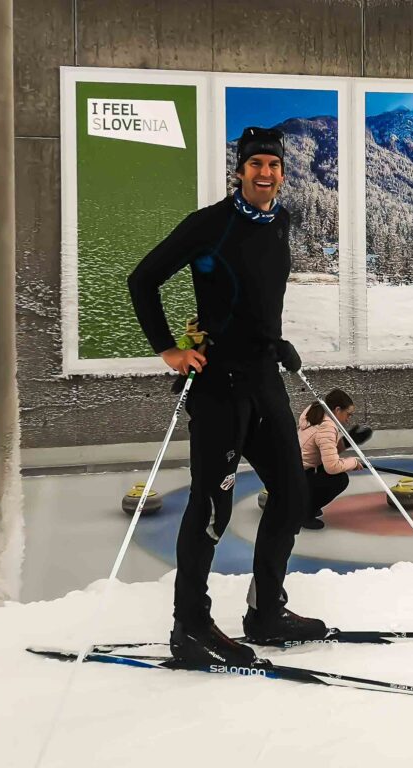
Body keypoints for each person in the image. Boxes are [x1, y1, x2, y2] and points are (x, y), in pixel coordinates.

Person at [127, 126, 327, 667]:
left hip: (265, 379)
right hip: (220, 388)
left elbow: (256, 300)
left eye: (274, 165)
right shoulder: (209, 224)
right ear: (240, 169)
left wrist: (275, 340)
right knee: (211, 509)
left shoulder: (280, 222)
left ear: (284, 173)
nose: (266, 173)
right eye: (256, 163)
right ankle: (190, 627)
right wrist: (169, 348)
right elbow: (142, 280)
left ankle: (266, 613)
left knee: (292, 494)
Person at [297, 390, 370, 530]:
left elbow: (326, 452)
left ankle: (307, 503)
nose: (348, 419)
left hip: (298, 469)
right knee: (339, 480)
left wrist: (348, 441)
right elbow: (332, 467)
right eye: (348, 414)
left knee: (331, 474)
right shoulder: (327, 427)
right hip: (300, 474)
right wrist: (353, 463)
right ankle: (305, 513)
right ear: (337, 409)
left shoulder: (317, 410)